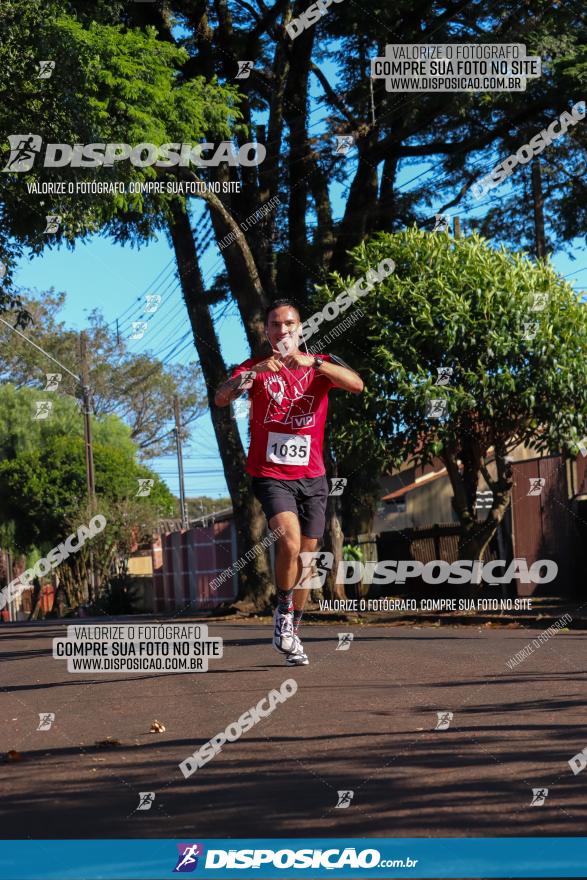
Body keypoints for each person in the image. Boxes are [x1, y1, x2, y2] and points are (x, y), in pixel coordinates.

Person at [214, 299, 364, 665]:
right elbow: (222, 398)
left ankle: (292, 628)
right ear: (266, 331)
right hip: (271, 474)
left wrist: (316, 363)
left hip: (312, 476)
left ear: (301, 328)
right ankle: (282, 610)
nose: (283, 330)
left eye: (289, 324)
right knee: (289, 540)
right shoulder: (255, 368)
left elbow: (358, 385)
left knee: (309, 558)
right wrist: (250, 376)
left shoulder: (320, 365)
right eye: (275, 325)